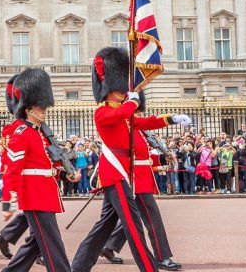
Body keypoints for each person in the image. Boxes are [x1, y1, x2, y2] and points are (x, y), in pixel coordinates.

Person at [71, 47, 191, 272]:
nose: (121, 92)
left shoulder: (124, 111)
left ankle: (79, 265)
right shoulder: (103, 112)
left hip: (127, 173)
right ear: (108, 88)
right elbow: (121, 114)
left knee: (105, 225)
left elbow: (145, 122)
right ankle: (149, 266)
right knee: (133, 225)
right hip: (117, 173)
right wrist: (133, 102)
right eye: (118, 89)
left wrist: (171, 119)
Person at [2, 68, 80, 272]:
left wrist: (66, 174)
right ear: (28, 109)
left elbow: (48, 165)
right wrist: (9, 201)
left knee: (36, 243)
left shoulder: (42, 134)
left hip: (46, 192)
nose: (44, 110)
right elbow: (12, 169)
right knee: (52, 243)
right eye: (40, 108)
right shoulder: (22, 133)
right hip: (34, 194)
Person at [100, 99, 184, 270]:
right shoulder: (127, 128)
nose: (140, 115)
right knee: (153, 219)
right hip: (134, 181)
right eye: (137, 112)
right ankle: (162, 256)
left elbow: (145, 157)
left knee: (130, 218)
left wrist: (161, 158)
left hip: (141, 178)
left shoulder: (139, 131)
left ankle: (109, 246)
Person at [0, 75, 31, 260]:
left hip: (36, 175)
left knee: (37, 215)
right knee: (39, 215)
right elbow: (11, 158)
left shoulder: (23, 127)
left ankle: (5, 237)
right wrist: (8, 199)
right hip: (25, 176)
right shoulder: (16, 128)